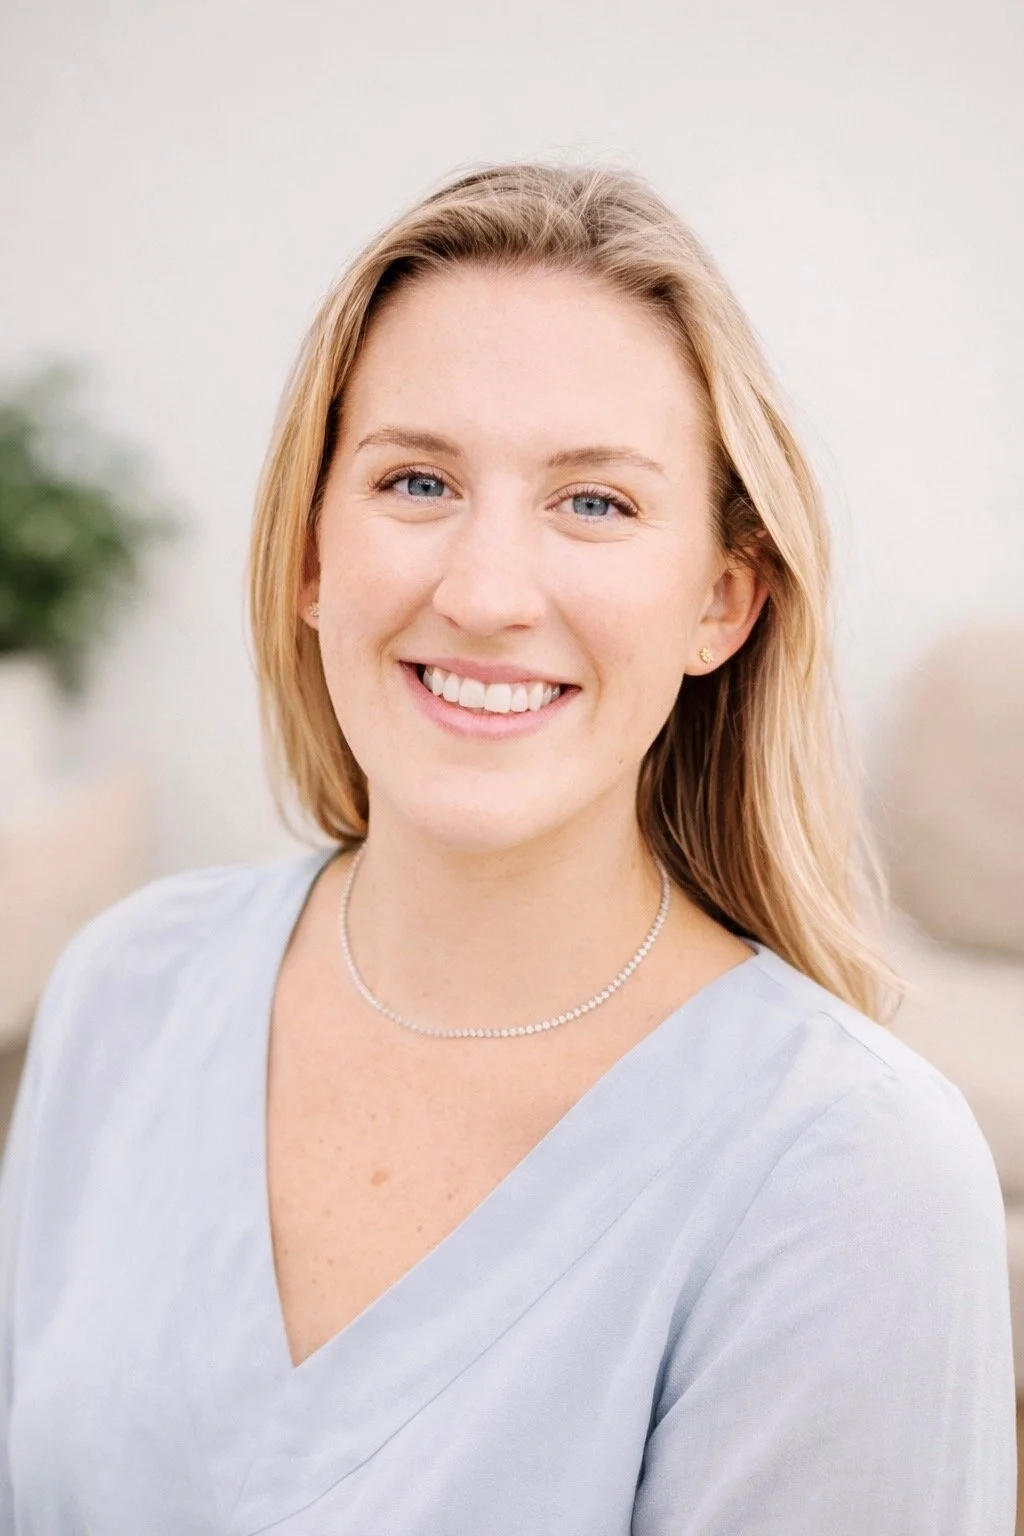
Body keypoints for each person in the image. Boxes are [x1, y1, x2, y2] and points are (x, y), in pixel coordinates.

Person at [0, 163, 1016, 1534]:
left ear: (720, 602)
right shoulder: (123, 991)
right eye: (416, 480)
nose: (483, 593)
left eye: (594, 502)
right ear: (311, 558)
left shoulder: (854, 1172)